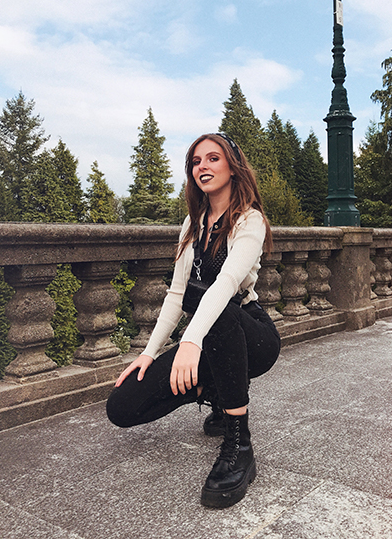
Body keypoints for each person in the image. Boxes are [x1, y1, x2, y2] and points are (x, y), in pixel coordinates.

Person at [106, 132, 281, 508]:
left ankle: (239, 445)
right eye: (196, 161)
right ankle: (215, 390)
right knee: (121, 406)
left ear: (233, 167)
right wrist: (149, 353)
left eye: (213, 158)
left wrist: (189, 341)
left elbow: (226, 283)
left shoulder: (250, 221)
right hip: (210, 336)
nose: (203, 166)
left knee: (216, 309)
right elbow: (176, 294)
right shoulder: (192, 224)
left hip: (252, 334)